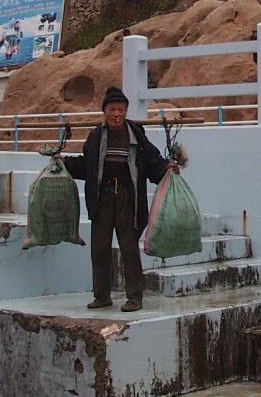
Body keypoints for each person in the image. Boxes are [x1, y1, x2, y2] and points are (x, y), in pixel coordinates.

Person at [58, 86, 178, 313]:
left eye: (121, 110)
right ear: (105, 112)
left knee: (129, 247)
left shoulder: (136, 136)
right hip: (102, 197)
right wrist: (64, 163)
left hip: (127, 198)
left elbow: (153, 161)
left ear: (125, 112)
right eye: (112, 109)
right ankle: (101, 296)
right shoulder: (95, 136)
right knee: (100, 248)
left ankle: (135, 297)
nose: (117, 114)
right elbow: (87, 165)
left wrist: (166, 167)